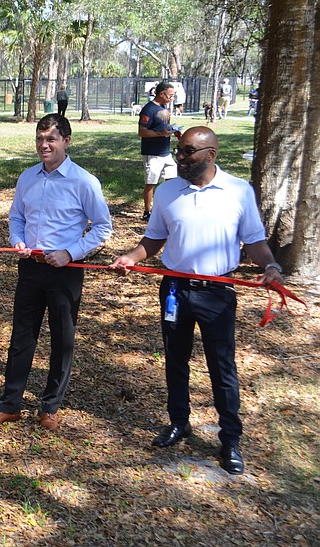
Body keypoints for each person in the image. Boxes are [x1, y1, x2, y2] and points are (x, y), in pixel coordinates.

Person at [109, 126, 283, 476]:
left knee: (222, 367)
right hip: (175, 289)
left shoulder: (237, 191)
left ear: (211, 154)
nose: (181, 158)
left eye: (189, 152)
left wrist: (272, 267)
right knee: (175, 359)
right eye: (179, 151)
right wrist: (132, 257)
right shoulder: (168, 191)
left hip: (217, 293)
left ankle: (230, 439)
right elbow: (154, 239)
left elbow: (254, 242)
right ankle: (179, 422)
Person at [0, 114, 112, 432]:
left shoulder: (84, 182)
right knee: (22, 338)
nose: (44, 145)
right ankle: (9, 406)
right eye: (39, 138)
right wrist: (17, 240)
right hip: (30, 268)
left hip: (66, 271)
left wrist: (71, 252)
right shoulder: (27, 178)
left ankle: (50, 407)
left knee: (62, 340)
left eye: (50, 138)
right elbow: (16, 217)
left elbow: (103, 227)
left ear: (67, 141)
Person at [138, 81, 179, 221]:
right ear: (161, 94)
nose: (172, 99)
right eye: (170, 96)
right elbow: (141, 131)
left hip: (166, 152)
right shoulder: (148, 109)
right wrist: (160, 134)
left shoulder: (164, 107)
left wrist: (174, 131)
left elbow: (164, 126)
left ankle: (167, 208)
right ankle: (147, 212)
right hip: (152, 153)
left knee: (172, 180)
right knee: (151, 182)